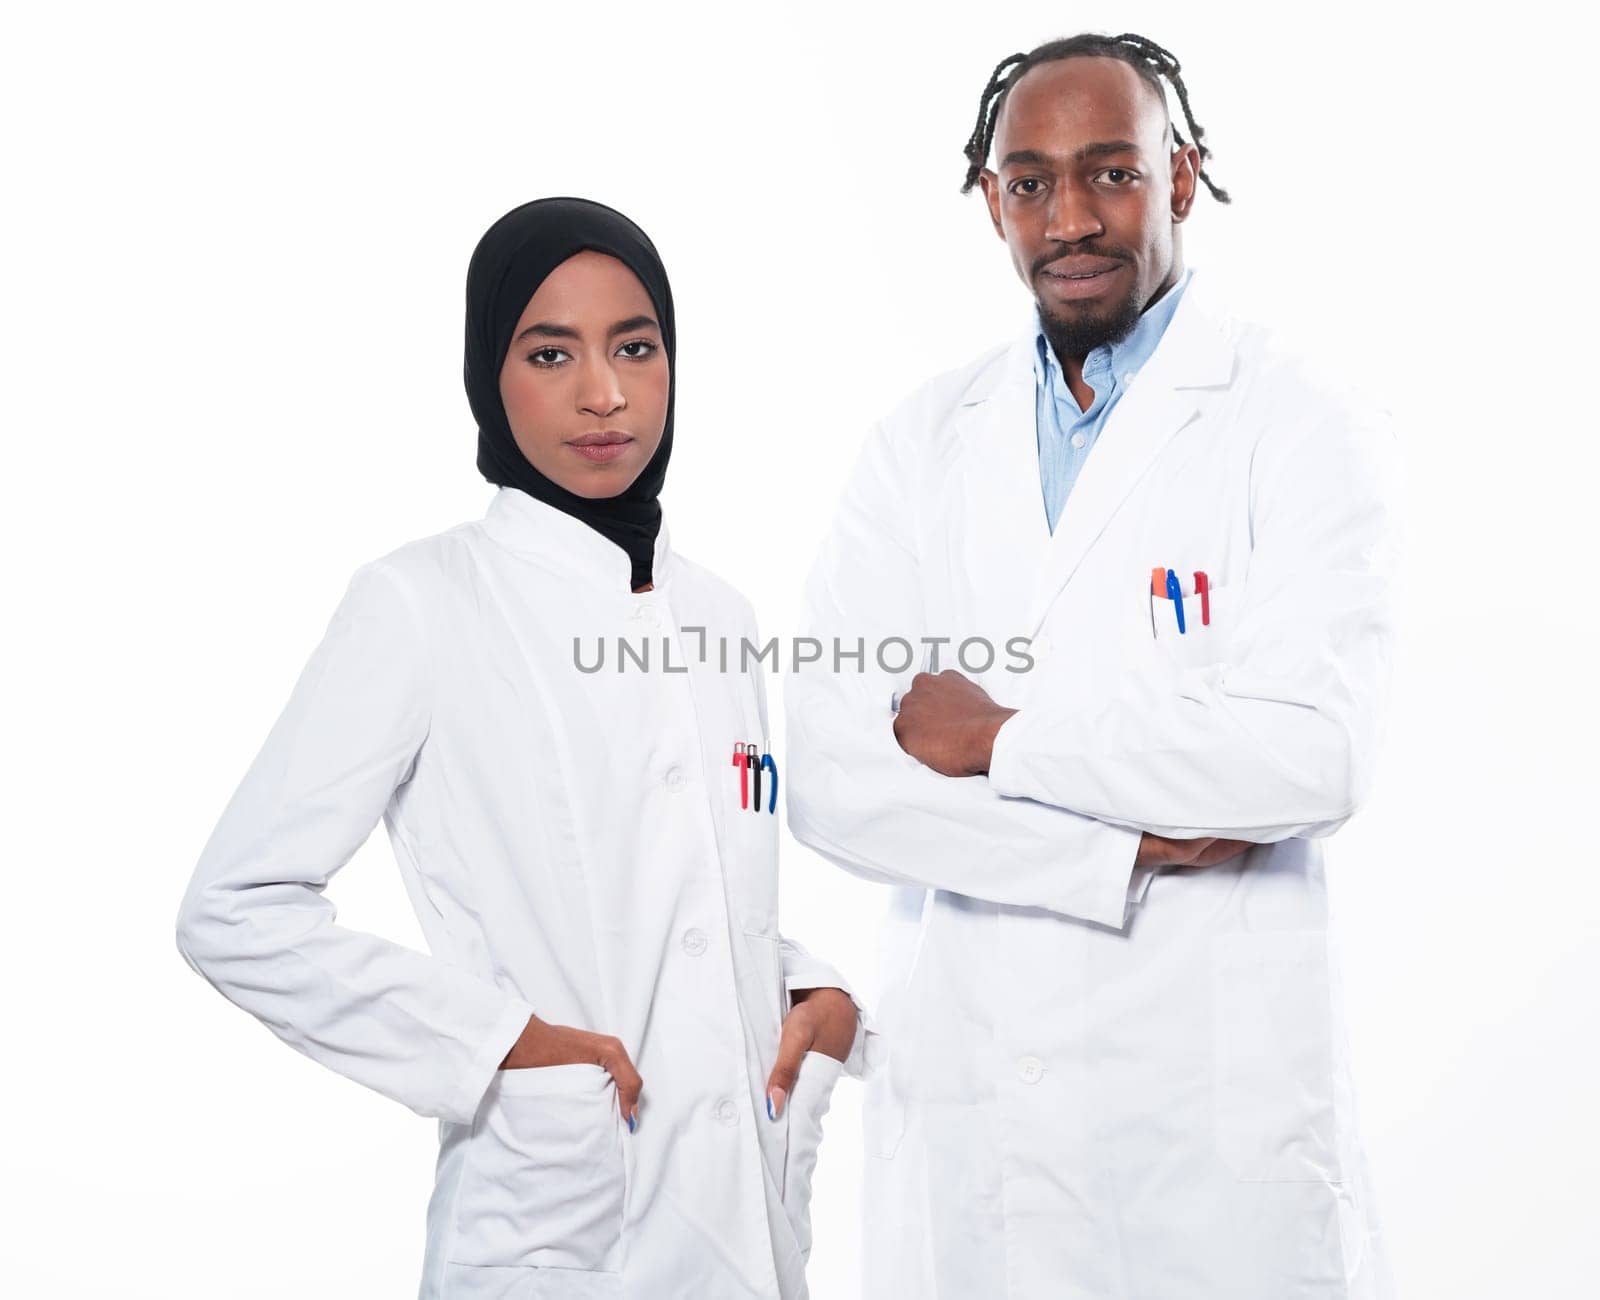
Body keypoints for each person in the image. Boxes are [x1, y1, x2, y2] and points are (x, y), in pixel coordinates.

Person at [784, 31, 1401, 1300]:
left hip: (1202, 1141)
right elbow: (835, 777)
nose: (1069, 217)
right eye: (1029, 181)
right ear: (990, 199)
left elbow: (1309, 753)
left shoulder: (1289, 424)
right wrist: (1121, 847)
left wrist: (1001, 740)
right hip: (978, 1134)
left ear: (1180, 176)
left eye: (1110, 172)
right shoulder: (918, 447)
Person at [175, 196, 876, 1300]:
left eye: (634, 347)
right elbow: (234, 906)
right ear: (485, 376)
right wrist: (498, 1042)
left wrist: (814, 995)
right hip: (561, 1224)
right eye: (550, 352)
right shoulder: (421, 602)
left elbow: (679, 892)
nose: (603, 394)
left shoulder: (721, 615)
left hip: (750, 1218)